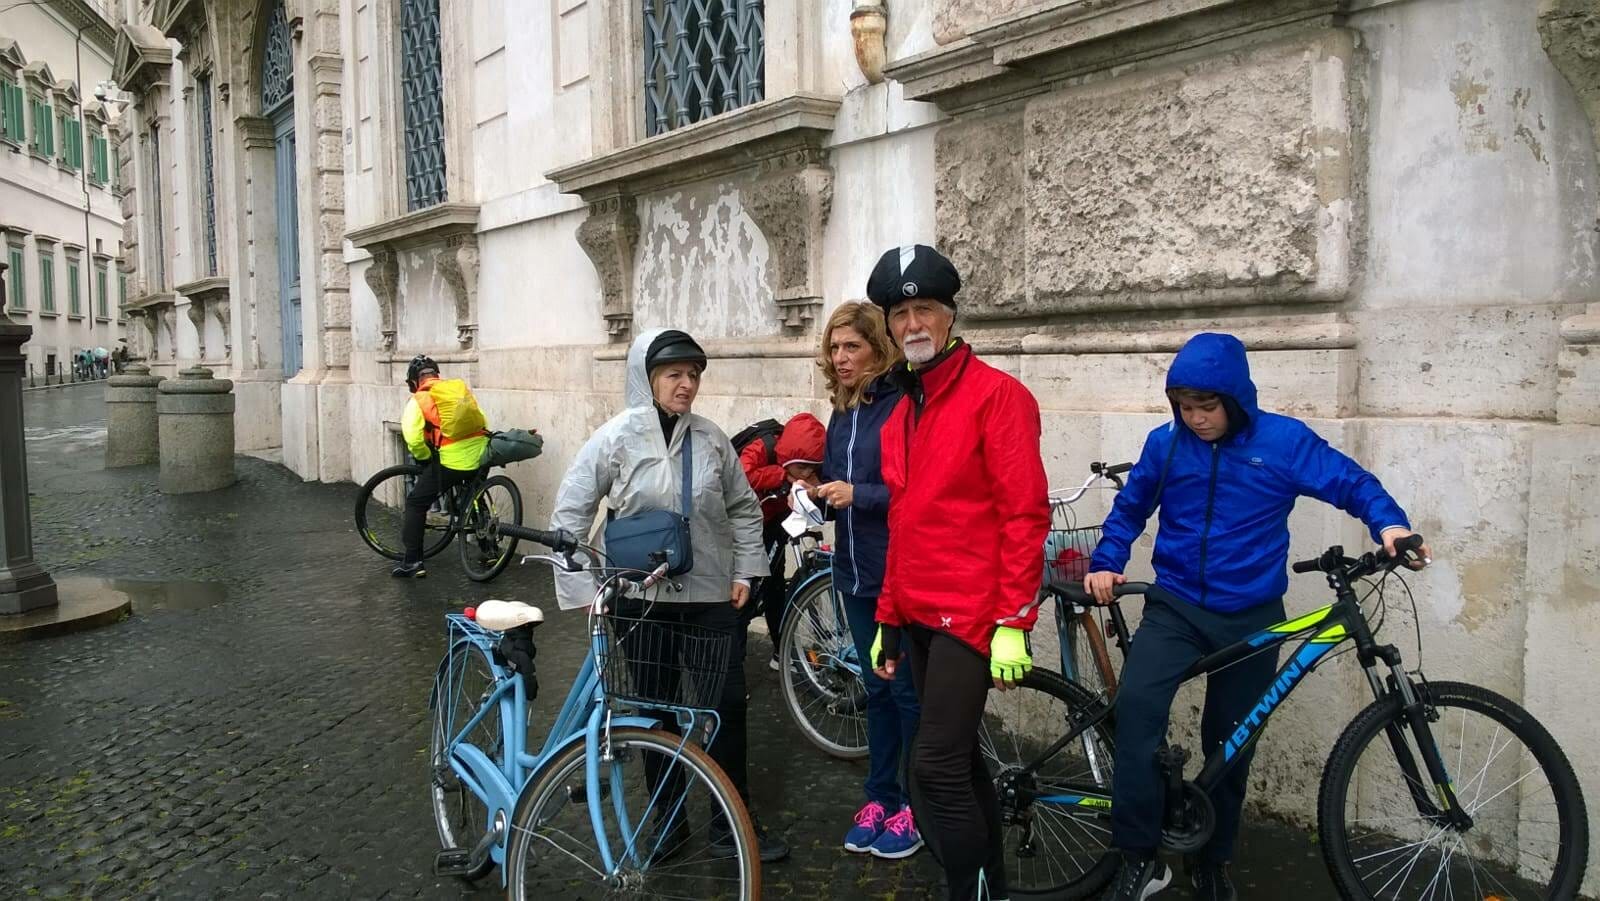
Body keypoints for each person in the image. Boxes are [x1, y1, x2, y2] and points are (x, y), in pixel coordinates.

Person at [1084, 332, 1432, 901]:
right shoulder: (1165, 444)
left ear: (1236, 399)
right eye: (1184, 407)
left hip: (1252, 614)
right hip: (1175, 607)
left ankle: (1213, 860)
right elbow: (1130, 508)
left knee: (1231, 744)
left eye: (1207, 406)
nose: (1195, 419)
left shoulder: (1283, 442)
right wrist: (1107, 561)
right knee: (1138, 712)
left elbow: (1349, 481)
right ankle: (1140, 857)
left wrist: (1389, 524)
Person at [550, 327, 791, 862]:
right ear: (649, 378)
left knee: (724, 708)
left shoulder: (711, 439)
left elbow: (743, 509)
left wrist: (747, 572)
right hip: (640, 602)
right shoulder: (614, 438)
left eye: (694, 375)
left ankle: (731, 823)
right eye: (674, 375)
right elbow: (571, 511)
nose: (687, 385)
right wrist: (586, 589)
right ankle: (668, 820)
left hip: (709, 598)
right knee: (653, 714)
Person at [866, 245, 1051, 900]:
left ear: (950, 315)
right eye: (900, 314)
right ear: (889, 326)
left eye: (925, 309)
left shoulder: (999, 398)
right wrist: (887, 619)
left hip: (971, 615)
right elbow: (904, 524)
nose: (913, 323)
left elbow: (1024, 515)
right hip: (917, 613)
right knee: (963, 763)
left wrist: (1015, 621)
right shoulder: (900, 413)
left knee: (936, 769)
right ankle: (990, 888)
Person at [806, 301, 924, 859]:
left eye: (851, 346)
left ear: (879, 349)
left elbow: (917, 492)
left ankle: (917, 806)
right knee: (875, 689)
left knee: (905, 692)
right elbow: (836, 479)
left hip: (895, 573)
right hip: (852, 572)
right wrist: (814, 492)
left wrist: (860, 495)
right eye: (834, 348)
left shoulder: (902, 406)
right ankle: (880, 797)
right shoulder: (843, 411)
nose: (840, 357)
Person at [739, 412, 826, 669]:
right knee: (746, 591)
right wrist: (781, 476)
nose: (807, 473)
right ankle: (734, 662)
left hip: (775, 520)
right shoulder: (763, 447)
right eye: (802, 468)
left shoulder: (807, 462)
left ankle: (781, 653)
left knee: (775, 585)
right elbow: (740, 474)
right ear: (788, 458)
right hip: (745, 525)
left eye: (812, 467)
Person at [392, 354, 490, 578]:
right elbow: (482, 419)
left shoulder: (419, 399)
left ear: (414, 381)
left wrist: (424, 457)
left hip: (452, 460)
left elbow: (413, 438)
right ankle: (490, 549)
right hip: (482, 451)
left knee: (416, 502)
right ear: (437, 375)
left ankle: (413, 562)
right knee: (474, 495)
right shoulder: (458, 390)